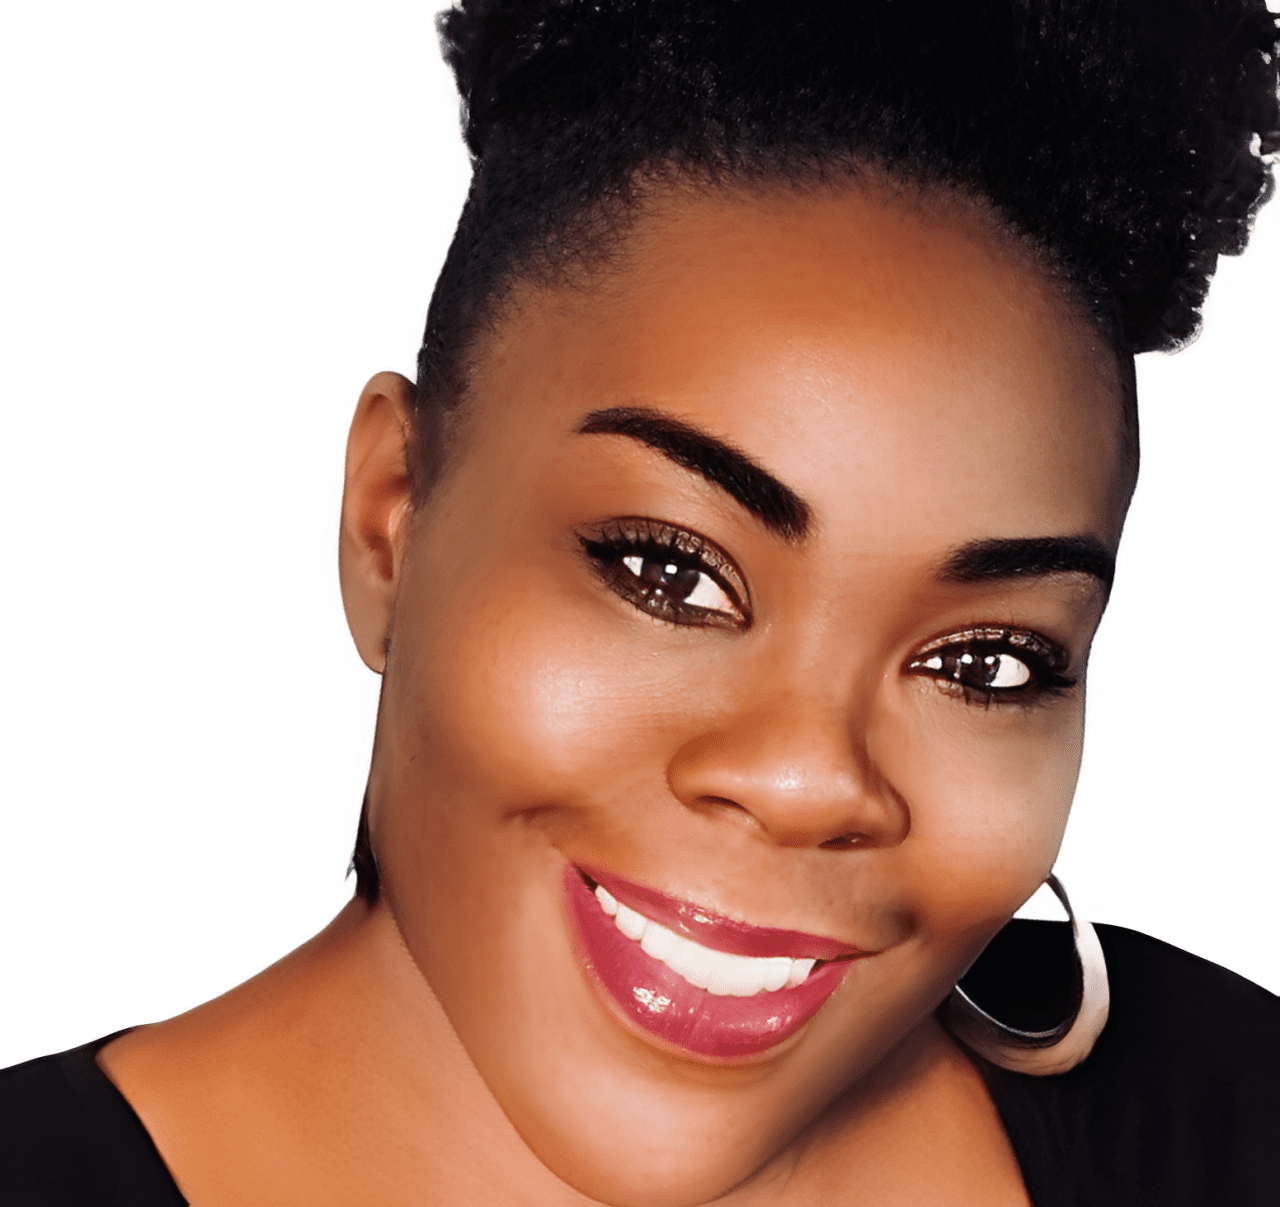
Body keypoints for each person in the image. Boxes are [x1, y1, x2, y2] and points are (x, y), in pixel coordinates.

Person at [3, 1, 1278, 1204]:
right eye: (668, 570)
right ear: (391, 520)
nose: (807, 780)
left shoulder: (1228, 1117)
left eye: (987, 662)